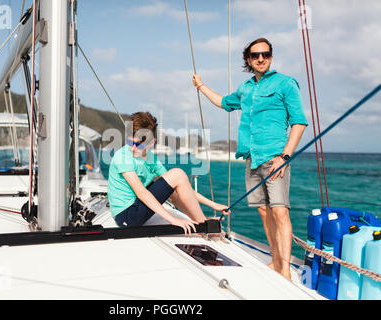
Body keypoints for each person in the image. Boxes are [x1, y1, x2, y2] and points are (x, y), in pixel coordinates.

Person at [192, 38, 308, 280]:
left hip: (275, 158)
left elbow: (299, 122)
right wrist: (201, 86)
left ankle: (284, 271)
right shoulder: (245, 89)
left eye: (265, 54)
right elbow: (223, 102)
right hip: (252, 158)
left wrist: (285, 156)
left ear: (271, 57)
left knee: (280, 212)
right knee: (264, 212)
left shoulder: (286, 84)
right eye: (255, 55)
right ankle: (276, 262)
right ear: (248, 60)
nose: (261, 58)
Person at [107, 111, 230, 235]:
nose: (133, 147)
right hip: (126, 217)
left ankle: (200, 223)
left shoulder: (151, 159)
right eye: (130, 141)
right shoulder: (123, 157)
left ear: (151, 142)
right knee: (178, 173)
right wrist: (173, 220)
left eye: (138, 144)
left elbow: (180, 186)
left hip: (136, 209)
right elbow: (142, 193)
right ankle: (204, 224)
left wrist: (213, 204)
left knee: (174, 184)